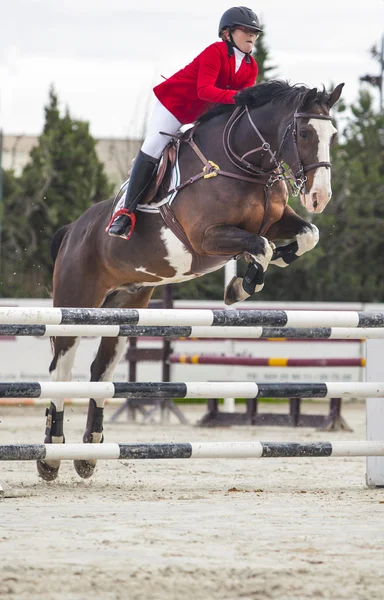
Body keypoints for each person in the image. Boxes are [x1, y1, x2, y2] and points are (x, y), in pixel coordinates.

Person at [107, 6, 262, 240]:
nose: (251, 35)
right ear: (227, 34)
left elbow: (240, 103)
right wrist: (239, 97)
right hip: (174, 106)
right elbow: (205, 90)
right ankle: (125, 213)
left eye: (255, 32)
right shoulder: (216, 51)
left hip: (202, 115)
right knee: (152, 148)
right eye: (245, 30)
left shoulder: (251, 66)